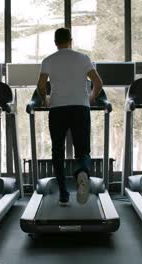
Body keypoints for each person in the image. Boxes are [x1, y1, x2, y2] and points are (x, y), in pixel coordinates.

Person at [37, 28, 103, 206]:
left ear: (55, 42)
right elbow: (98, 82)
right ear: (71, 40)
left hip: (58, 109)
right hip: (80, 108)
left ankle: (64, 194)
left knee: (57, 151)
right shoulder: (83, 58)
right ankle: (82, 171)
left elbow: (41, 85)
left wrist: (46, 99)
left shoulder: (48, 60)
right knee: (83, 151)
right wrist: (91, 97)